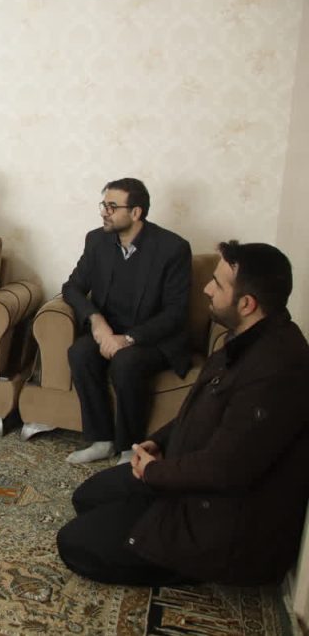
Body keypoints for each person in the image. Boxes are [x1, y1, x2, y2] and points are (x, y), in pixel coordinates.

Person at [57, 241, 309, 587]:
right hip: (183, 478)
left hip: (215, 520)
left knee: (75, 544)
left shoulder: (277, 369)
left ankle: (181, 563)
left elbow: (226, 469)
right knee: (88, 497)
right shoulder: (244, 340)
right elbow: (197, 412)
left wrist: (154, 472)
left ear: (247, 304)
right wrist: (157, 443)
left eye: (217, 284)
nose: (206, 289)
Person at [61, 178, 192, 465]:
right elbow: (72, 287)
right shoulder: (97, 241)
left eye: (112, 206)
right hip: (110, 331)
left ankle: (130, 448)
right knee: (80, 352)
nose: (104, 212)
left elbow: (176, 313)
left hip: (153, 338)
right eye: (103, 205)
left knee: (126, 361)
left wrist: (128, 339)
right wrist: (97, 321)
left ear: (136, 212)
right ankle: (102, 440)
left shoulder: (173, 248)